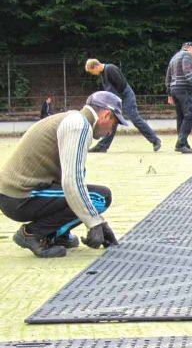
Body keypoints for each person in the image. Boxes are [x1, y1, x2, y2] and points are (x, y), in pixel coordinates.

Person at [0, 91, 124, 258]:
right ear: (106, 115)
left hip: (14, 194)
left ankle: (58, 234)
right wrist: (96, 223)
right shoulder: (79, 125)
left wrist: (99, 222)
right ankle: (32, 234)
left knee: (86, 193)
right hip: (20, 196)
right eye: (114, 124)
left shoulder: (73, 119)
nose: (110, 132)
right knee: (100, 197)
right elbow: (72, 183)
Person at [85, 59, 162, 152]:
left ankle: (155, 140)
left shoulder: (110, 69)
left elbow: (121, 86)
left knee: (135, 119)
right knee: (112, 122)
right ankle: (102, 146)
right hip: (117, 99)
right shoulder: (103, 73)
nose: (93, 74)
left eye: (92, 72)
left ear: (95, 67)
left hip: (126, 97)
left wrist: (114, 102)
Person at [165, 41, 192, 154]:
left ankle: (183, 142)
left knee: (181, 117)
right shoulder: (186, 55)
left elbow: (168, 77)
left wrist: (169, 93)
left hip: (174, 89)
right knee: (190, 116)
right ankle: (181, 144)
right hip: (184, 89)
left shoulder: (174, 57)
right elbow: (187, 70)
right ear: (190, 48)